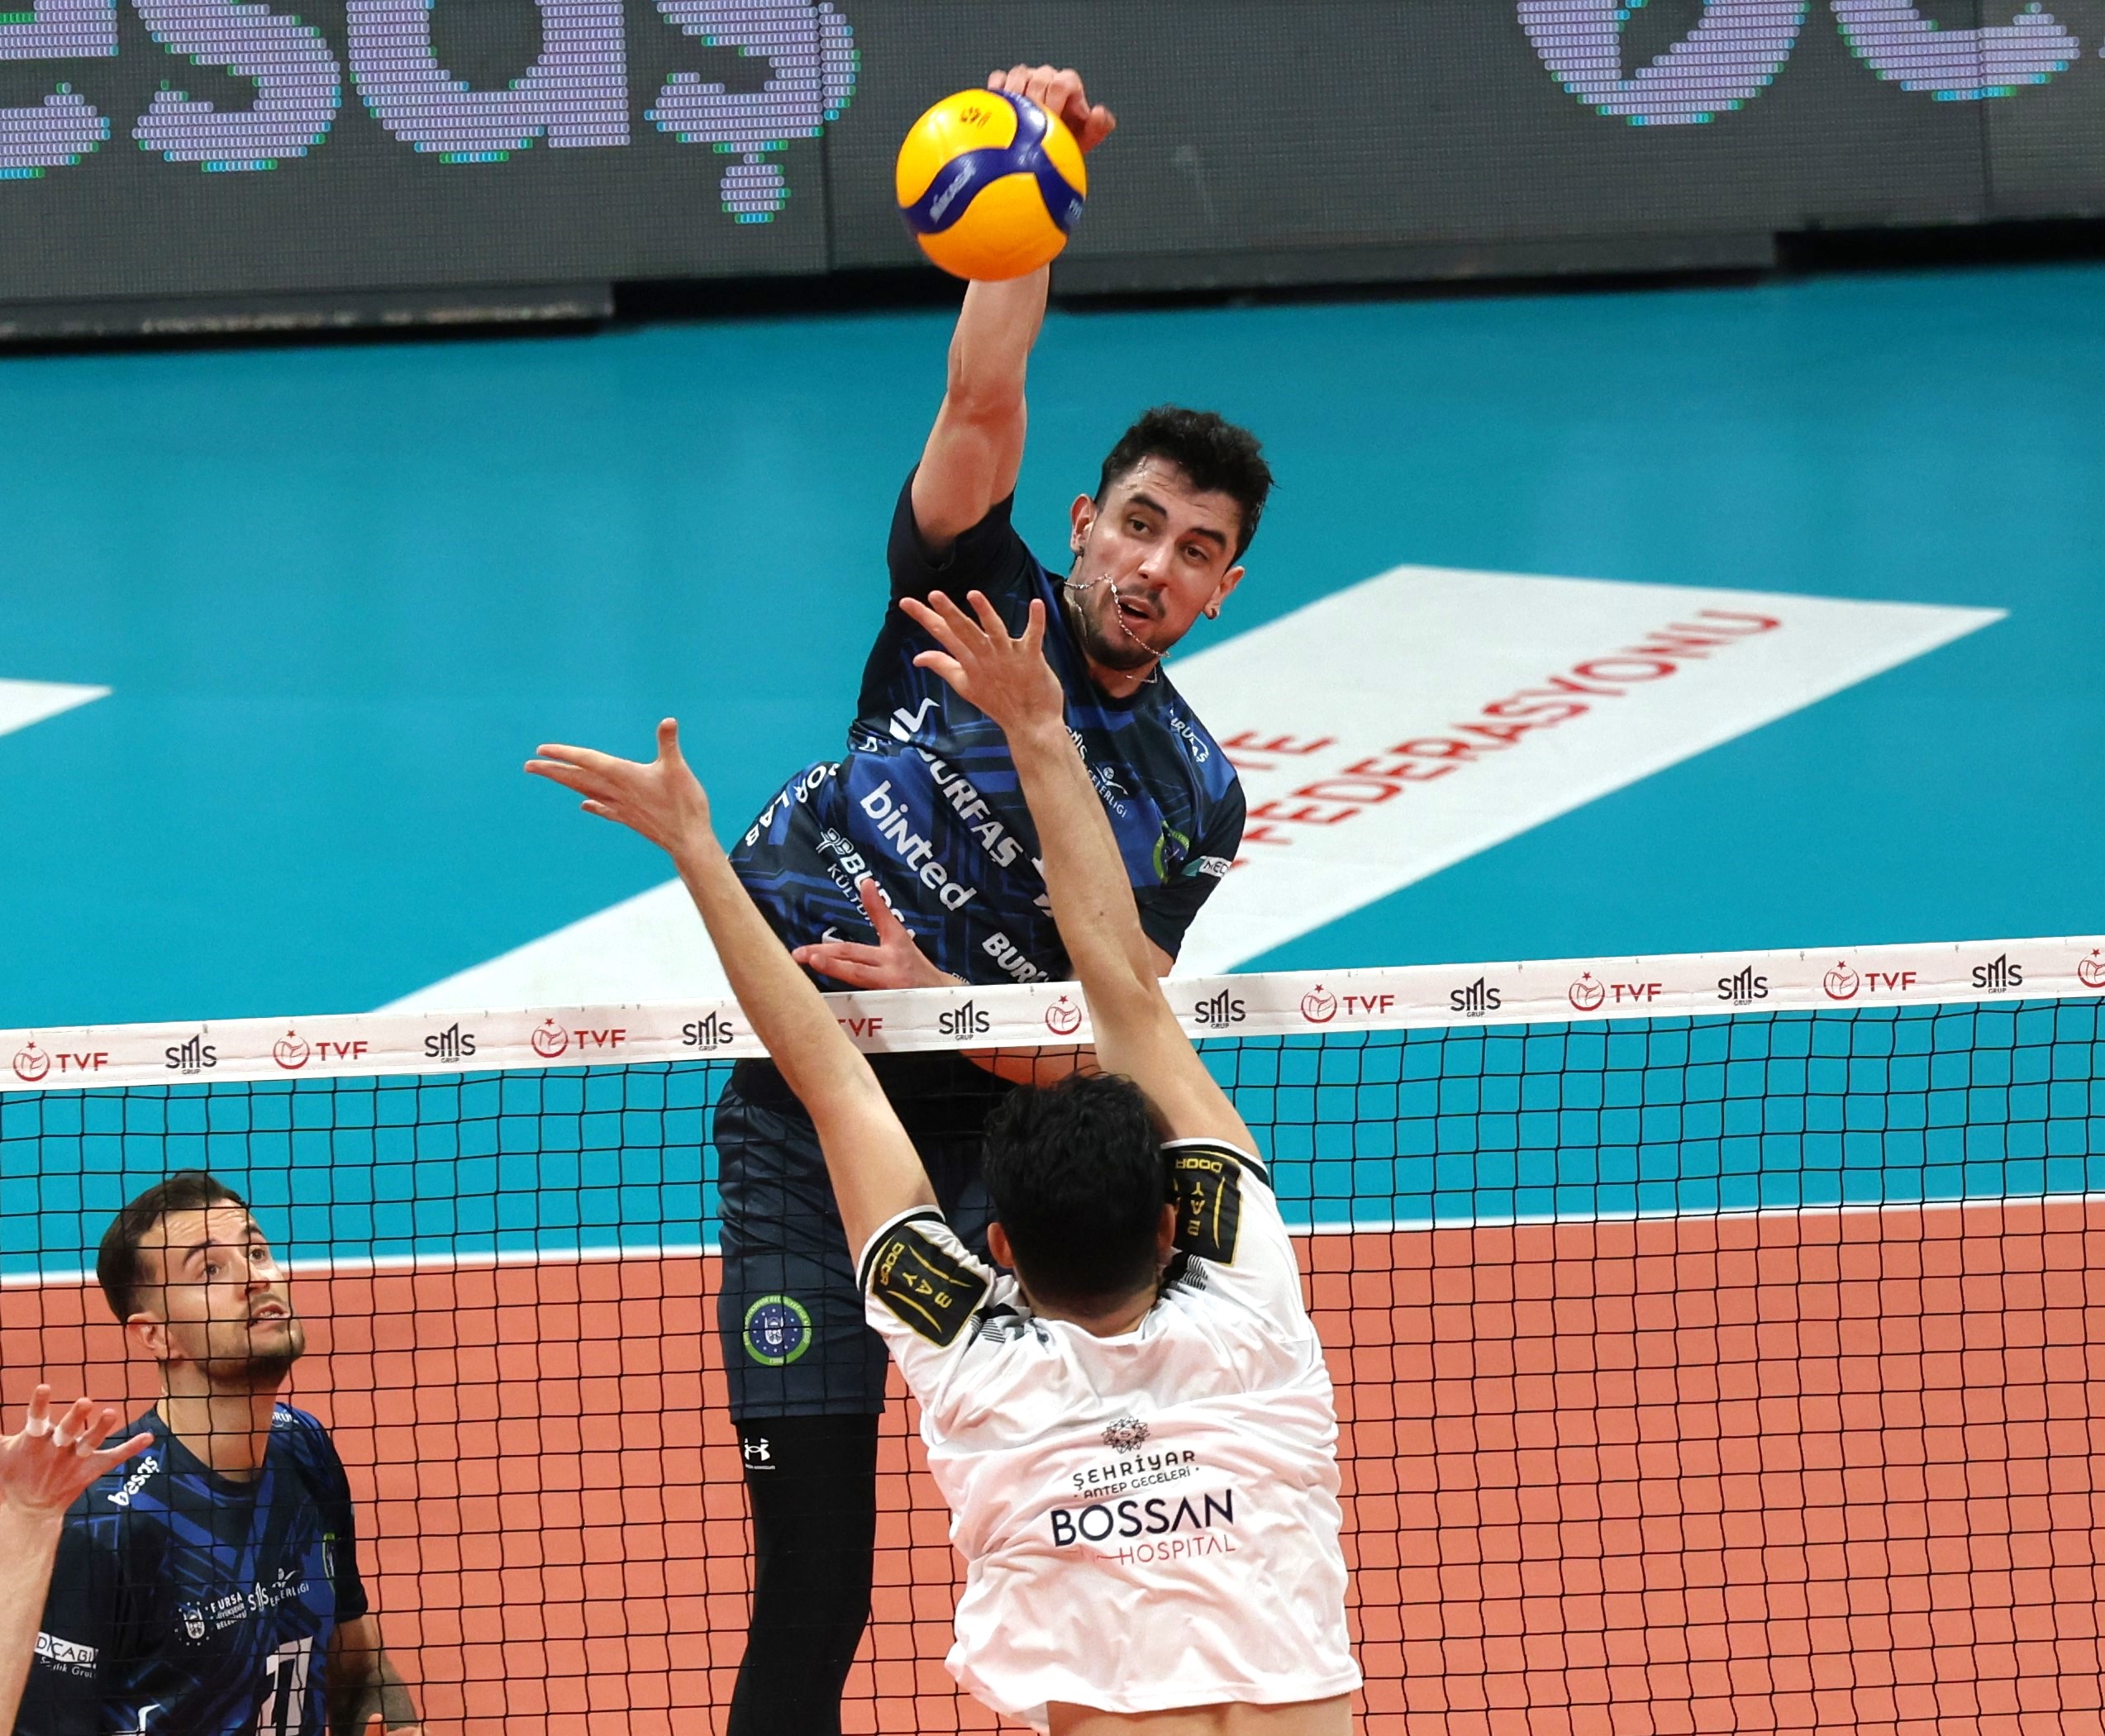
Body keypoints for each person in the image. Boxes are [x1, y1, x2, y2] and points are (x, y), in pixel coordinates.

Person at [526, 587, 1356, 1733]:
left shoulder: (977, 1361)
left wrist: (697, 850)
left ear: (996, 1249)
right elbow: (1125, 989)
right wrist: (1042, 733)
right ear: (1173, 1224)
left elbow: (829, 1079)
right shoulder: (1247, 1291)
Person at [712, 59, 1272, 1734]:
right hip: (802, 1132)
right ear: (1083, 522)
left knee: (1082, 1531)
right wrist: (1033, 205)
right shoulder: (971, 589)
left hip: (999, 1162)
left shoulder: (1192, 795)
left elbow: (1119, 1047)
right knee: (815, 1583)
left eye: (1196, 551)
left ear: (1224, 590)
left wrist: (939, 1007)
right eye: (1139, 524)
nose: (1153, 566)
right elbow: (982, 392)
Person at [8, 1171, 422, 1736]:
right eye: (210, 1270)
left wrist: (394, 1724)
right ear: (156, 1336)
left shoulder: (303, 1447)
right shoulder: (101, 1522)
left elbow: (360, 1668)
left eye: (256, 1251)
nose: (256, 1276)